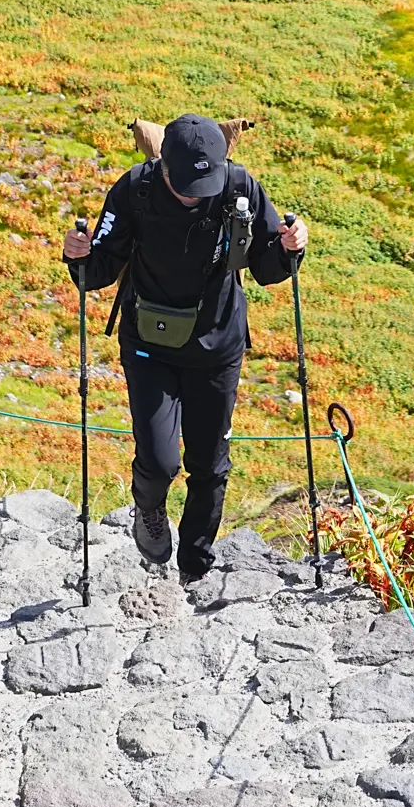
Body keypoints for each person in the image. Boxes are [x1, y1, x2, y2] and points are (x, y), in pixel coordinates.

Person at [63, 113, 307, 581]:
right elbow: (97, 272)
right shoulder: (134, 189)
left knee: (210, 466)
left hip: (217, 346)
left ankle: (195, 567)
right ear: (165, 167)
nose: (199, 192)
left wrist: (292, 248)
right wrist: (77, 255)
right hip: (149, 344)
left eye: (208, 181)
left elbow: (268, 268)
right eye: (188, 183)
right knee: (159, 460)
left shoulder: (240, 188)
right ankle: (149, 510)